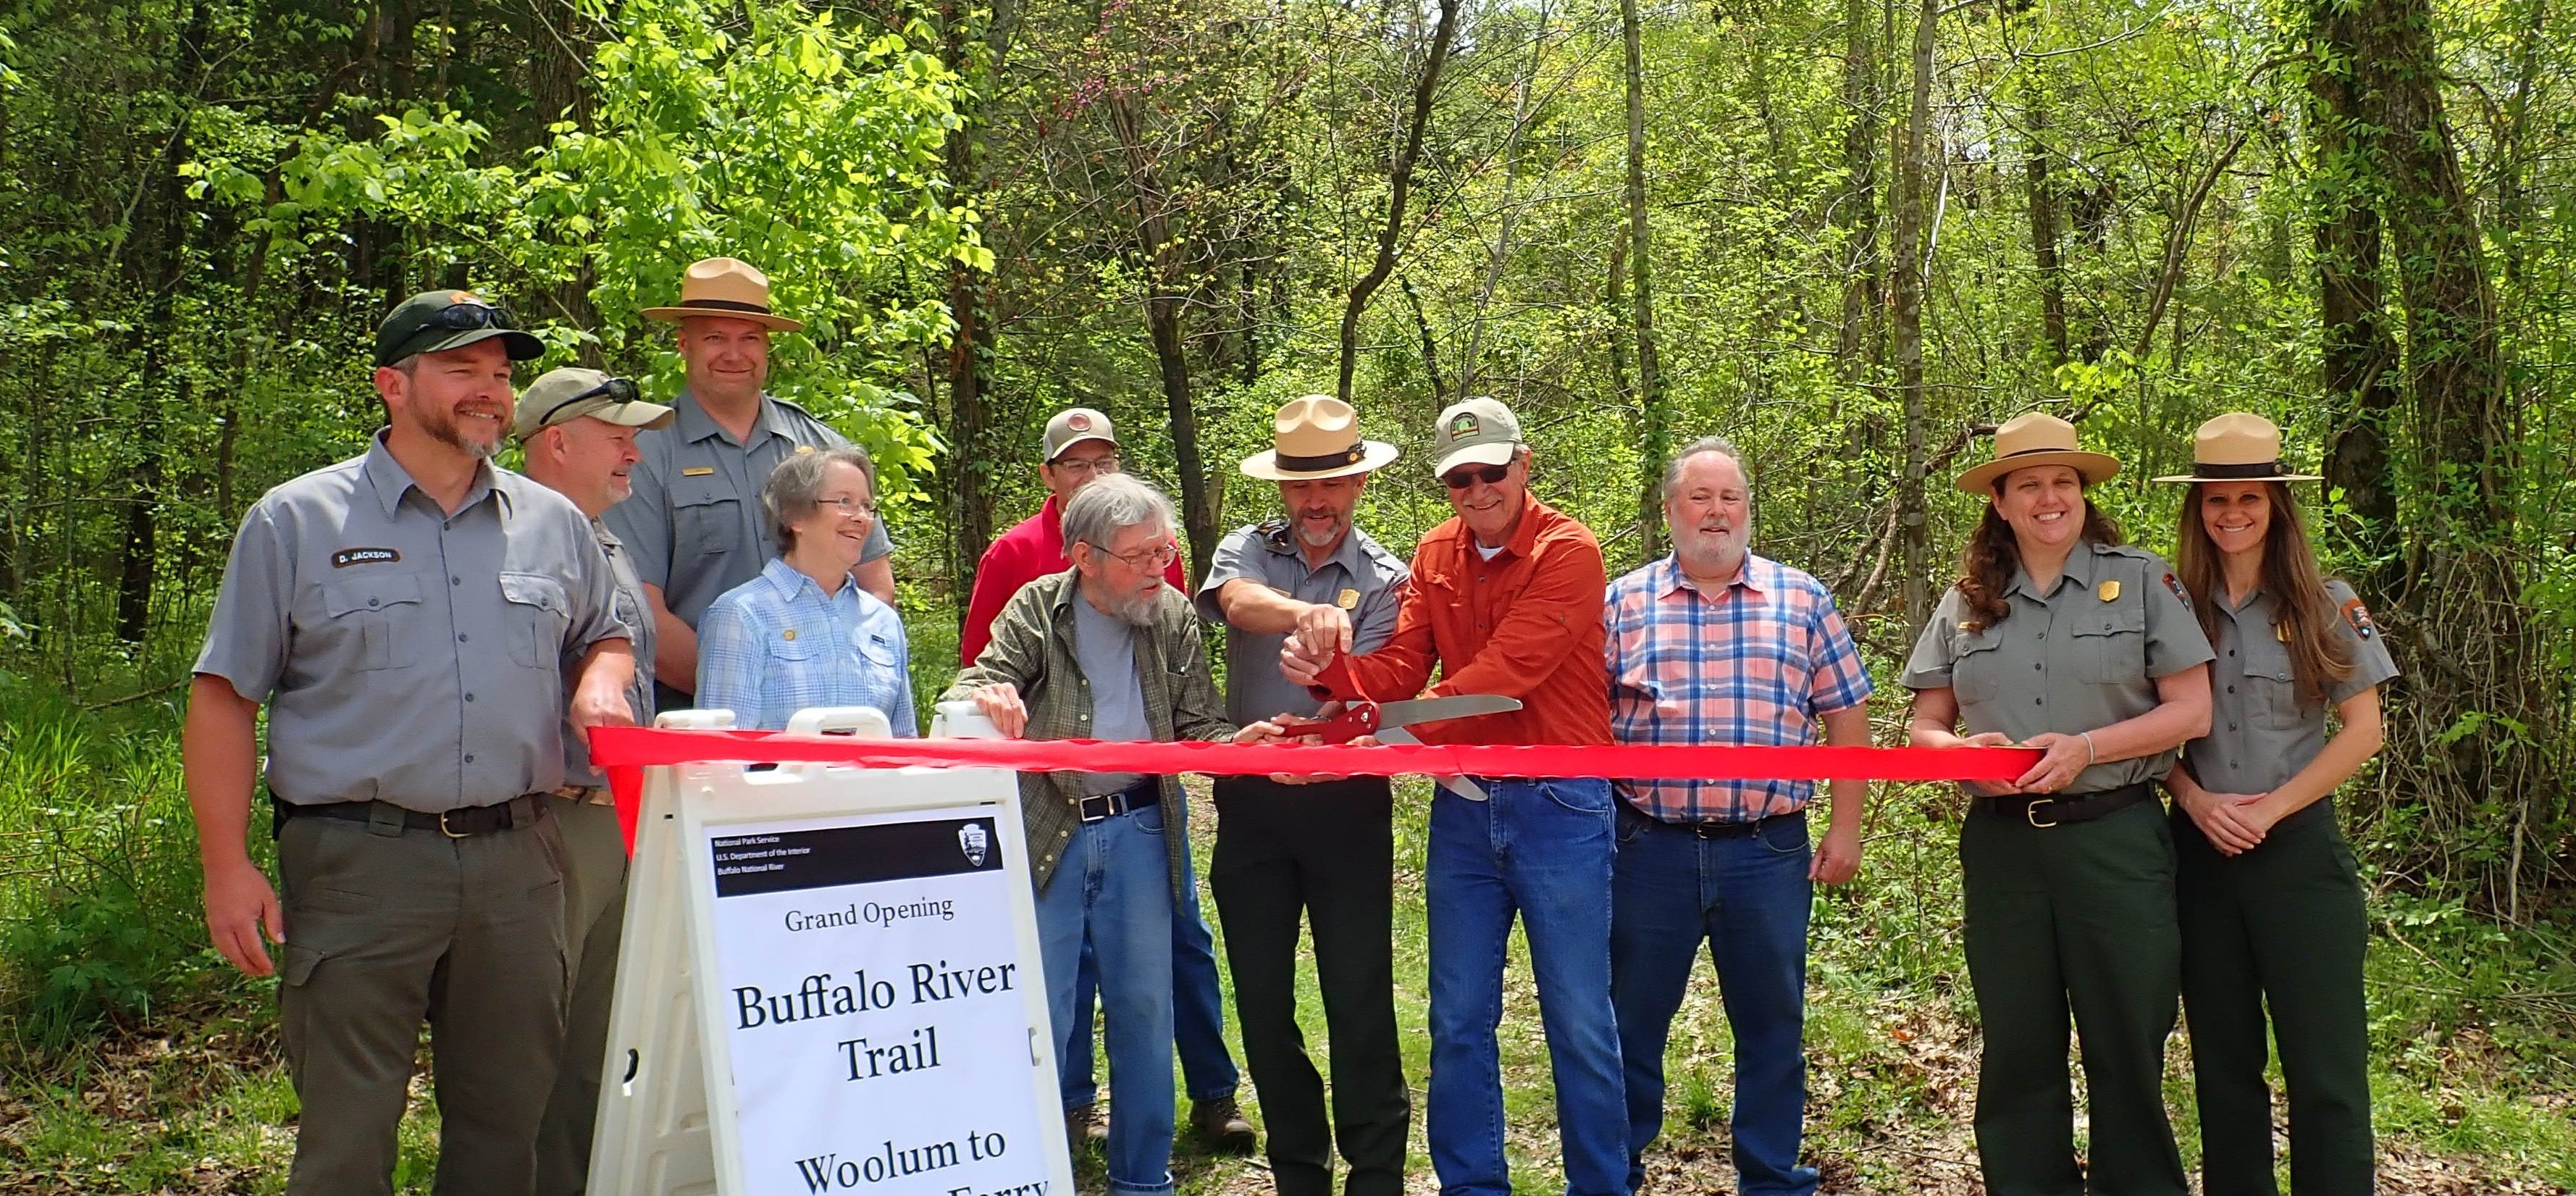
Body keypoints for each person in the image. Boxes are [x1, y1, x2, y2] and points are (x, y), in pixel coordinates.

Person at [183, 292, 637, 1196]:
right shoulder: (297, 520)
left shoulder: (552, 522)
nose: (490, 391)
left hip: (519, 862)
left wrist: (602, 677)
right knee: (346, 1142)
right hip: (360, 860)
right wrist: (225, 865)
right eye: (462, 369)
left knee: (504, 1130)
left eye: (502, 374)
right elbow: (224, 693)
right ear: (392, 384)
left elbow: (608, 629)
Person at [1281, 396, 1627, 1196]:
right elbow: (1401, 670)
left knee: (1578, 1021)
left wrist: (1392, 737)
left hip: (1561, 803)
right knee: (1457, 1021)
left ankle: (1601, 1185)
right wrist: (1332, 677)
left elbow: (1506, 677)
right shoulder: (1435, 552)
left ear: (1522, 465)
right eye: (1457, 479)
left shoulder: (1568, 550)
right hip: (1464, 807)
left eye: (1489, 471)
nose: (1475, 490)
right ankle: (1473, 1186)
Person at [1901, 411, 2214, 1196]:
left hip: (2112, 838)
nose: (2049, 498)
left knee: (2126, 1041)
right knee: (2016, 1044)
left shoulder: (2139, 578)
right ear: (1999, 502)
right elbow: (1922, 726)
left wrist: (2086, 748)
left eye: (2063, 483)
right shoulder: (1966, 600)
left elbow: (2190, 711)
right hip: (2004, 850)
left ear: (2082, 494)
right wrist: (1959, 757)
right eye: (2028, 484)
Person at [942, 474, 1282, 1196]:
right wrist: (985, 696)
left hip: (1139, 830)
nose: (1157, 567)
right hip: (1051, 832)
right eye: (1138, 556)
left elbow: (1197, 722)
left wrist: (1238, 744)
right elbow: (977, 679)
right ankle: (1025, 1171)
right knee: (1041, 1009)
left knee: (1145, 1009)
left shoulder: (1172, 616)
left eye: (1161, 551)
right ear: (1085, 557)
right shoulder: (1038, 607)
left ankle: (1142, 1179)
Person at [1604, 436, 1873, 1196]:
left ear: (1747, 510)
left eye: (1729, 498)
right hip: (1647, 848)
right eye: (1699, 497)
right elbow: (1582, 723)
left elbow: (1845, 718)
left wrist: (1844, 829)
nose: (1715, 512)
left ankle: (1768, 1177)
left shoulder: (1801, 598)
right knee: (1628, 1023)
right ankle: (1612, 1170)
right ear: (1669, 511)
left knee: (1771, 1026)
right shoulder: (1621, 602)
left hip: (1766, 850)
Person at [2153, 414, 2395, 1196]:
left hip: (2296, 857)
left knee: (2323, 1066)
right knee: (2223, 1068)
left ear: (2274, 505)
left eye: (2248, 498)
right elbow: (2146, 734)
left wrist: (2268, 809)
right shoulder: (2168, 603)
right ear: (2197, 508)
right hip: (2199, 858)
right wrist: (2191, 800)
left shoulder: (2324, 602)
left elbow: (2364, 732)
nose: (2231, 513)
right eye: (2216, 499)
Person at [1196, 396, 1412, 1196]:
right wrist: (1310, 613)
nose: (1316, 502)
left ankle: (1377, 1171)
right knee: (1259, 994)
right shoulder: (1245, 549)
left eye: (1332, 485)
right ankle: (1296, 1166)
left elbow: (1386, 688)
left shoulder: (1389, 578)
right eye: (1300, 487)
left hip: (1348, 806)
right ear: (1282, 488)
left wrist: (1336, 722)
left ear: (1357, 483)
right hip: (1252, 802)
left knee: (1357, 992)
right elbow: (1237, 604)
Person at [512, 368, 675, 1195]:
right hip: (549, 818)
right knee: (529, 1041)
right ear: (557, 441)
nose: (633, 453)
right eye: (617, 436)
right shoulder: (505, 535)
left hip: (620, 816)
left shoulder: (607, 539)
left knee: (601, 1039)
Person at [605, 256, 897, 711]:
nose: (734, 354)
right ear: (683, 344)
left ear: (768, 348)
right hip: (693, 716)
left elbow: (874, 589)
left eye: (749, 338)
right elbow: (641, 613)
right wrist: (745, 688)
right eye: (715, 337)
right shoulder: (644, 454)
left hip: (832, 718)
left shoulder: (822, 448)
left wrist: (819, 690)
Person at [695, 447, 917, 733]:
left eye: (866, 505)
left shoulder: (882, 621)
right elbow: (721, 751)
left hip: (875, 779)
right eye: (844, 502)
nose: (861, 517)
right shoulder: (741, 614)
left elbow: (903, 743)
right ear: (794, 517)